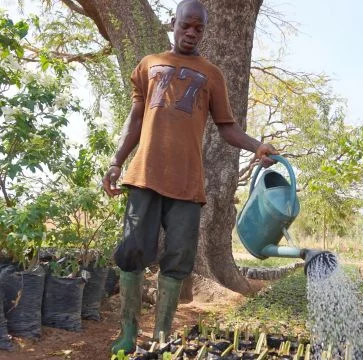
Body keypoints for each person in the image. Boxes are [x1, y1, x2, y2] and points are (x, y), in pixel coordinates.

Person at [102, 0, 278, 354]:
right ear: (173, 23)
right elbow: (135, 119)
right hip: (143, 176)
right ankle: (127, 335)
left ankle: (161, 338)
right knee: (133, 251)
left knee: (179, 258)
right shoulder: (148, 65)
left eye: (199, 28)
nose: (192, 33)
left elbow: (228, 128)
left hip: (187, 184)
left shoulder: (212, 74)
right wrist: (116, 161)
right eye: (187, 25)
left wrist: (257, 146)